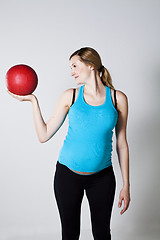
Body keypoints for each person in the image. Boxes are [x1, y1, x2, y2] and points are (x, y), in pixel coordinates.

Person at [8, 47, 131, 240]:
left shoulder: (117, 99)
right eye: (70, 67)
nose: (71, 71)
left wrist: (126, 185)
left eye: (75, 66)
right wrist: (33, 101)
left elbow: (121, 143)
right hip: (67, 177)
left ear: (91, 66)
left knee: (102, 234)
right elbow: (44, 134)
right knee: (70, 234)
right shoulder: (71, 96)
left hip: (103, 179)